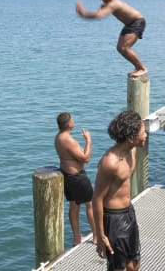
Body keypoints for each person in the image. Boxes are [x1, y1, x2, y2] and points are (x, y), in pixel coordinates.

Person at [92, 110, 147, 271]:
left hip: (128, 213)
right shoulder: (110, 163)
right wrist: (101, 235)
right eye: (143, 132)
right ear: (131, 137)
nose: (146, 135)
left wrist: (131, 218)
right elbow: (97, 199)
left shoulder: (133, 149)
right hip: (114, 220)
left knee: (134, 264)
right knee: (119, 268)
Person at [76, 0, 148, 78]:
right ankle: (137, 67)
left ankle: (142, 68)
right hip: (128, 24)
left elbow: (99, 15)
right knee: (120, 48)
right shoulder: (108, 3)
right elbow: (99, 12)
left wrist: (83, 13)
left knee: (125, 48)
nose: (102, 0)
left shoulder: (114, 3)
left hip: (137, 22)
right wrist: (94, 11)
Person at [54, 112, 97, 246]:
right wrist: (88, 140)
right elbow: (86, 158)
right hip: (77, 177)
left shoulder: (58, 137)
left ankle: (77, 238)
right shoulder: (68, 140)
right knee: (90, 205)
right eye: (72, 119)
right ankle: (96, 236)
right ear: (68, 124)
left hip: (67, 176)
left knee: (74, 205)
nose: (74, 121)